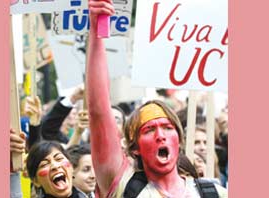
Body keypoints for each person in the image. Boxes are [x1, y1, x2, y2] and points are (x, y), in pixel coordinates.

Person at [86, 0, 227, 197]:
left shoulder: (215, 192)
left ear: (179, 140)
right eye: (149, 130)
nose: (160, 135)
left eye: (168, 128)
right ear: (135, 148)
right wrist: (96, 30)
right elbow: (98, 112)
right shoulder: (123, 186)